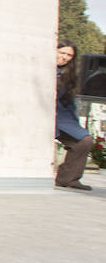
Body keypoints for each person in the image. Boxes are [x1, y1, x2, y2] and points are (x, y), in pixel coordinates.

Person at [55, 39, 92, 190]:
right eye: (62, 52)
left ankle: (68, 179)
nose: (64, 57)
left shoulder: (69, 76)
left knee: (85, 140)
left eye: (69, 55)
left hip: (63, 118)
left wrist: (75, 123)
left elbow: (69, 104)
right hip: (42, 115)